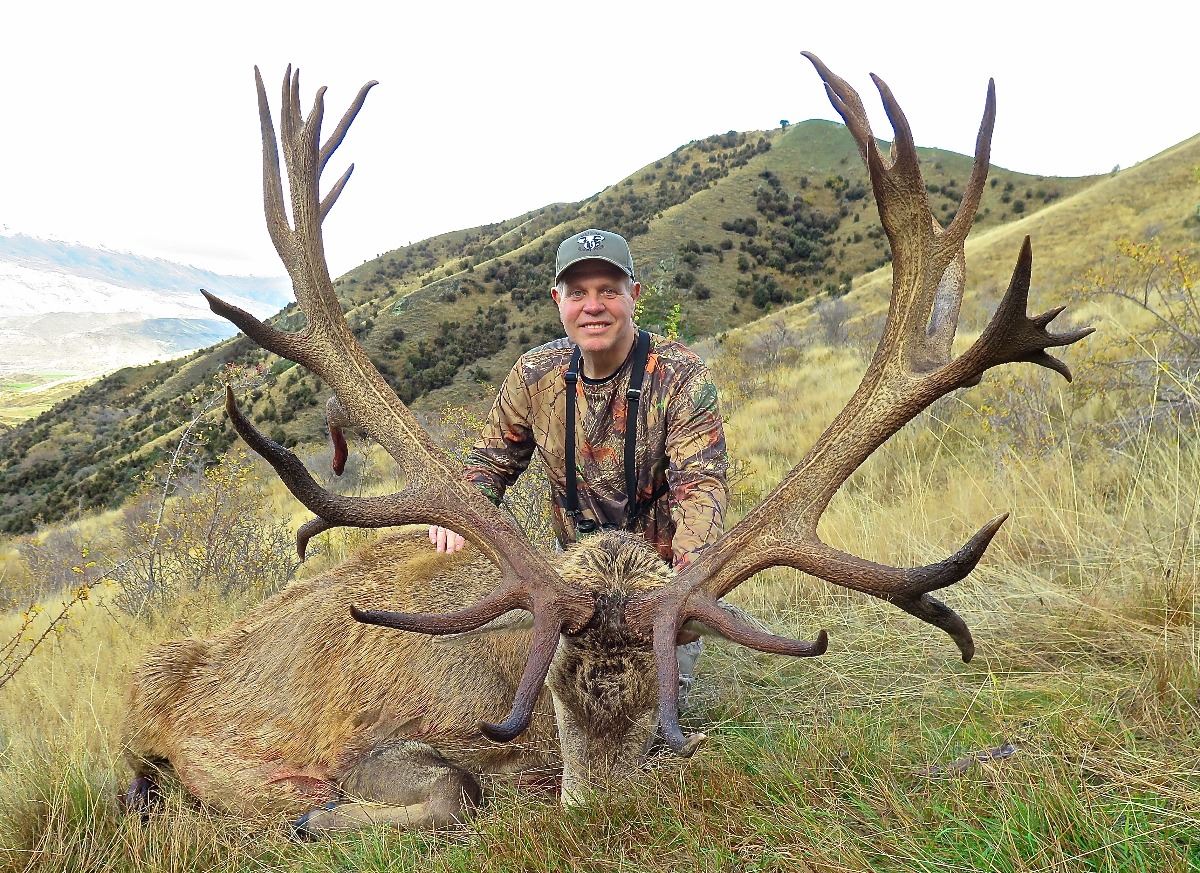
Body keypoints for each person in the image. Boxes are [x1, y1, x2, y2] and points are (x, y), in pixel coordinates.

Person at [429, 228, 729, 702]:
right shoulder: (535, 374)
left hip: (657, 588)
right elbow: (489, 462)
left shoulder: (681, 376)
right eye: (578, 293)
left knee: (651, 721)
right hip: (573, 586)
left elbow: (701, 488)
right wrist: (461, 512)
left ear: (634, 295)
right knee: (553, 709)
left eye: (608, 290)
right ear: (558, 300)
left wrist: (685, 592)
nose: (593, 306)